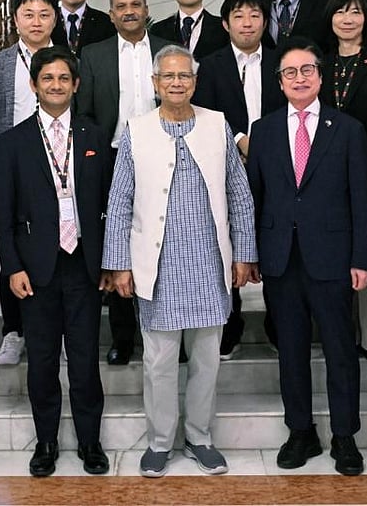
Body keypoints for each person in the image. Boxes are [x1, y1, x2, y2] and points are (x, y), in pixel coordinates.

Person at [103, 45, 258, 478]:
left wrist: (244, 253)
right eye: (168, 76)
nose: (176, 83)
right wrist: (119, 264)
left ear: (195, 81)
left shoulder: (216, 124)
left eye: (184, 76)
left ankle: (200, 437)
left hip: (209, 263)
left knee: (207, 361)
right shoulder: (137, 130)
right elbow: (119, 202)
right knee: (159, 363)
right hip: (158, 266)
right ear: (155, 83)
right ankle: (159, 442)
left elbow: (239, 193)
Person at [246, 37, 367, 476]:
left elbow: (362, 200)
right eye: (290, 72)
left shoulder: (348, 129)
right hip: (280, 258)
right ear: (279, 81)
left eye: (307, 70)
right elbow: (254, 198)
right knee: (291, 351)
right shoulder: (263, 131)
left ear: (320, 76)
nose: (298, 78)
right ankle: (300, 430)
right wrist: (252, 254)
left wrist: (362, 258)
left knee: (340, 350)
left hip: (334, 257)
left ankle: (345, 435)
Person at [0, 46, 113, 477]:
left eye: (63, 78)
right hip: (36, 268)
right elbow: (2, 213)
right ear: (34, 84)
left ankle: (90, 441)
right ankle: (45, 442)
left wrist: (109, 261)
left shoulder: (95, 136)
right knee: (42, 361)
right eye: (48, 78)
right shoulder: (13, 142)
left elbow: (110, 204)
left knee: (84, 359)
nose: (56, 85)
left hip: (84, 263)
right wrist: (13, 267)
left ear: (75, 84)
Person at [76, 0, 174, 365]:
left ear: (147, 9)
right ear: (111, 14)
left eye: (136, 4)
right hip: (112, 157)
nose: (129, 11)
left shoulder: (168, 49)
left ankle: (169, 329)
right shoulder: (93, 54)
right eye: (121, 6)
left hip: (162, 154)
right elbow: (84, 112)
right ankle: (123, 337)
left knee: (165, 242)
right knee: (118, 245)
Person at [192, 0, 286, 357]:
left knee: (275, 241)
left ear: (265, 21)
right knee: (226, 243)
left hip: (278, 165)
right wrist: (241, 140)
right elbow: (205, 112)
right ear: (226, 23)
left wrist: (264, 146)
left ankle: (278, 324)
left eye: (255, 15)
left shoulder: (281, 61)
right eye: (239, 16)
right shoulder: (210, 65)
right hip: (226, 163)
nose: (247, 23)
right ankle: (229, 325)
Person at [0, 0, 62, 366]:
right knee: (12, 250)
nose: (36, 22)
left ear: (55, 19)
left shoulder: (69, 61)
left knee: (59, 250)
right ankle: (14, 331)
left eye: (44, 14)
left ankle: (58, 332)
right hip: (11, 169)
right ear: (16, 21)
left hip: (60, 168)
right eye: (28, 15)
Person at [318, 0, 367, 360]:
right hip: (324, 173)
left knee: (366, 250)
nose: (347, 20)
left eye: (355, 12)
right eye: (340, 12)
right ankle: (338, 334)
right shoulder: (319, 64)